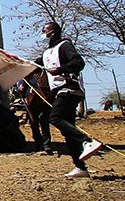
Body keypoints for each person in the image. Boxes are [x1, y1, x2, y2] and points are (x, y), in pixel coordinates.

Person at [36, 21, 103, 178]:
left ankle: (87, 141)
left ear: (51, 32)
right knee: (68, 131)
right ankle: (80, 167)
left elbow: (78, 62)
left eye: (44, 31)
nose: (43, 33)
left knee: (55, 117)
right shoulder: (47, 53)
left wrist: (60, 70)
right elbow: (34, 64)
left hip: (68, 89)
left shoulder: (64, 46)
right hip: (59, 91)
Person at [13, 70, 53, 154]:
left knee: (44, 121)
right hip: (31, 101)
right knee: (33, 122)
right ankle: (38, 143)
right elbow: (19, 90)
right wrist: (21, 87)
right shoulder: (23, 78)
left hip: (44, 99)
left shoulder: (44, 76)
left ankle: (46, 144)